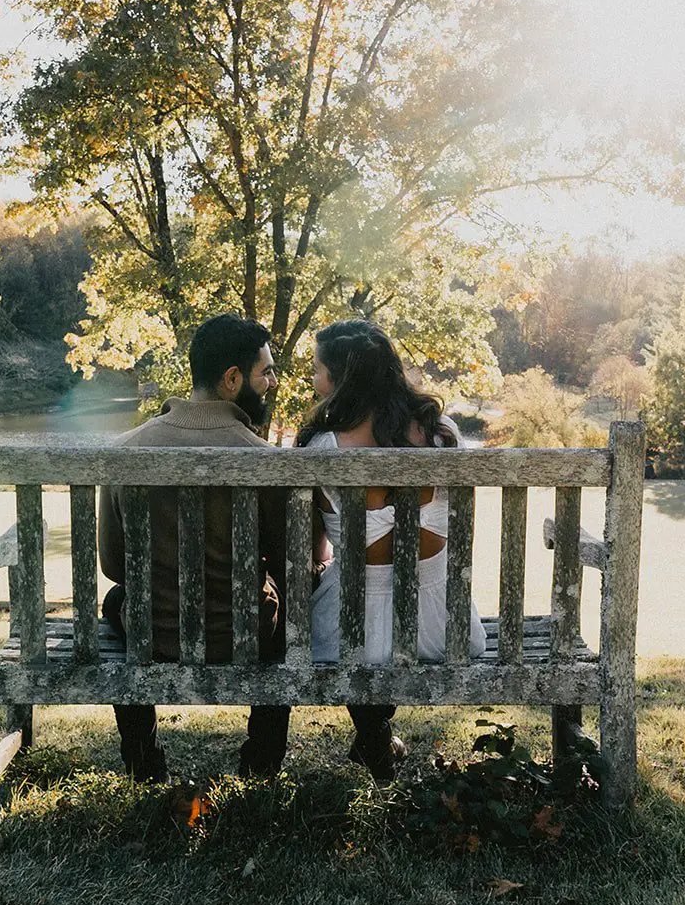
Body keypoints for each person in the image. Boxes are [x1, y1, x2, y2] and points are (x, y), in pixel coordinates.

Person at [98, 314, 289, 782]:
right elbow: (288, 561)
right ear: (232, 379)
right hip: (246, 634)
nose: (272, 382)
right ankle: (260, 765)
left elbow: (114, 565)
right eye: (266, 372)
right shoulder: (267, 461)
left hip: (154, 633)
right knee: (289, 611)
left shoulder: (125, 450)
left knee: (117, 600)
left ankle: (143, 762)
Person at [298, 319, 487, 781]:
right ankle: (376, 738)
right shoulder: (441, 433)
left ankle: (374, 734)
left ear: (341, 380)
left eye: (318, 370)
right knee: (374, 631)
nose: (314, 379)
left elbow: (313, 551)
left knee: (355, 629)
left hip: (350, 632)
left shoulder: (321, 448)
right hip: (443, 625)